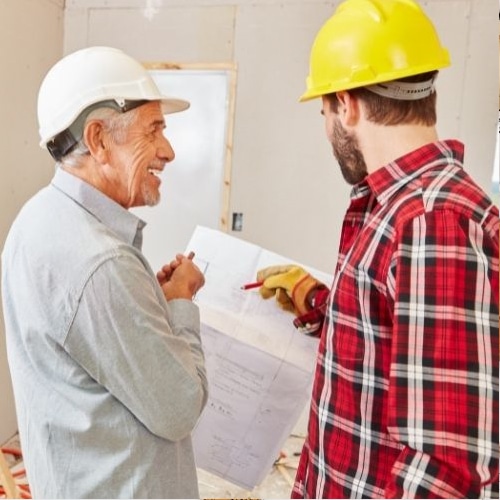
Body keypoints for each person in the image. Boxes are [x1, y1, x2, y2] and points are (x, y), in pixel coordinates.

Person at [257, 1, 499, 498]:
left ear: (346, 103)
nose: (327, 126)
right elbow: (403, 340)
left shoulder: (434, 222)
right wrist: (320, 303)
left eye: (324, 111)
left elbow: (445, 467)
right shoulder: (393, 205)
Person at [1, 46, 208, 498]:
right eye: (153, 130)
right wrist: (179, 305)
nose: (167, 150)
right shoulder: (103, 263)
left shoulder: (37, 220)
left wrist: (145, 302)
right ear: (97, 140)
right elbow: (179, 407)